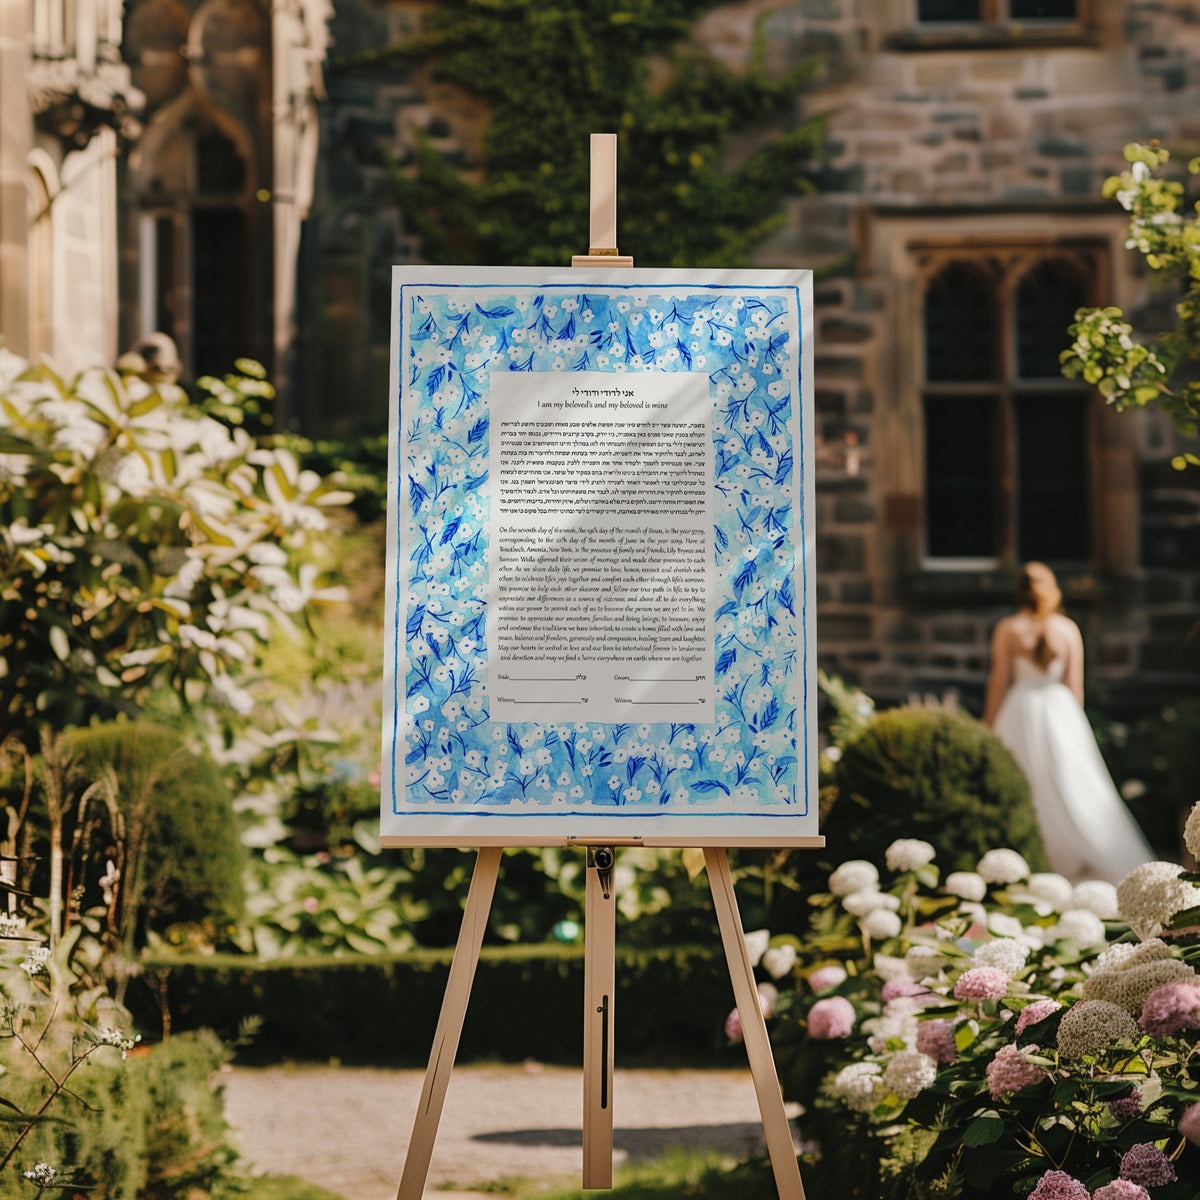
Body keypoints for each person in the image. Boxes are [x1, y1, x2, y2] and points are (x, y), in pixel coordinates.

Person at [983, 562, 1154, 884]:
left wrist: (988, 726)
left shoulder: (1007, 629)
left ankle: (1029, 858)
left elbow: (998, 683)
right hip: (1058, 712)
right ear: (1053, 590)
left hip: (1018, 710)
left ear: (1019, 592)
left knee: (1024, 783)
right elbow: (1076, 688)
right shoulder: (1068, 629)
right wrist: (1073, 730)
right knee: (1073, 783)